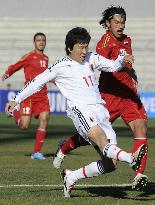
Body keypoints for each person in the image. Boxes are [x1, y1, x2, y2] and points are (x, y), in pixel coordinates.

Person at [5, 27, 147, 197]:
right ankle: (131, 158)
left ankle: (71, 176)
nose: (84, 51)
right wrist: (17, 99)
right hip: (80, 110)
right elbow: (37, 82)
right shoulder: (60, 66)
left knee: (111, 165)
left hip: (100, 111)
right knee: (101, 140)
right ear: (70, 48)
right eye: (81, 47)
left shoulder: (91, 58)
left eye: (86, 46)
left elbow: (112, 66)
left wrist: (122, 60)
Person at [53, 5, 149, 190]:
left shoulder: (127, 40)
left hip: (128, 96)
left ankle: (138, 175)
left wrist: (131, 73)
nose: (120, 26)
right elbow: (101, 65)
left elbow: (124, 64)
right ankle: (65, 147)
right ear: (107, 24)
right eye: (116, 22)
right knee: (91, 136)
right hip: (108, 97)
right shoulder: (104, 44)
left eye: (123, 22)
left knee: (141, 129)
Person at [2, 32, 50, 160]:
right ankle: (15, 112)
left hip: (42, 95)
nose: (41, 42)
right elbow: (17, 65)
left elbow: (46, 74)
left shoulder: (46, 58)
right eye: (38, 40)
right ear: (34, 42)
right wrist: (8, 72)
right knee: (24, 126)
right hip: (29, 95)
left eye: (43, 40)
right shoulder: (29, 56)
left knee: (45, 118)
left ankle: (36, 152)